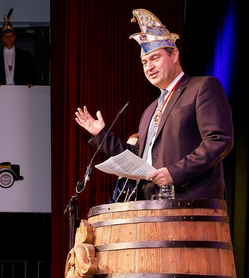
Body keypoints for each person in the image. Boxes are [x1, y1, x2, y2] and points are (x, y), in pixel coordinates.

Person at [75, 9, 234, 201]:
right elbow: (138, 159)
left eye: (155, 58)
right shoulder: (150, 110)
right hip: (152, 209)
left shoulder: (201, 87)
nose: (148, 67)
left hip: (191, 203)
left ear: (174, 55)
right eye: (144, 62)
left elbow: (219, 140)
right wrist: (102, 135)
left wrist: (174, 173)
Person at [0, 9, 35, 87]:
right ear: (2, 39)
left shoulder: (25, 56)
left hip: (20, 93)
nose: (8, 38)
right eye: (6, 36)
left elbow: (32, 75)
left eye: (11, 36)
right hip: (1, 93)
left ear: (15, 37)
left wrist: (30, 83)